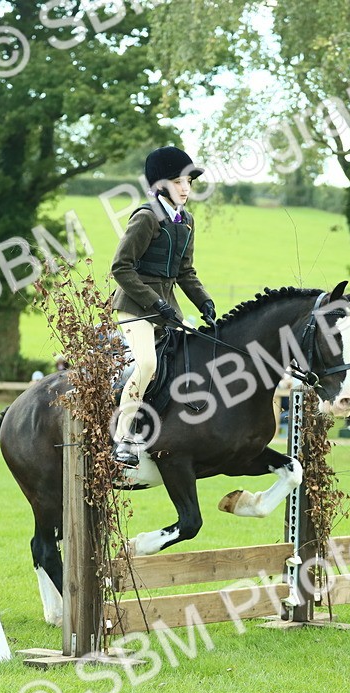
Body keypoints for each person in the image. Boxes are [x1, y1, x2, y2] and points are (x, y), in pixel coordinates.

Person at [109, 146, 216, 466]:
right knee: (147, 365)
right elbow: (121, 268)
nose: (186, 188)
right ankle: (123, 438)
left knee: (189, 363)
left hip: (167, 309)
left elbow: (185, 272)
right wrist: (154, 302)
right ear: (160, 185)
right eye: (179, 181)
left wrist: (205, 301)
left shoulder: (187, 221)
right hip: (135, 307)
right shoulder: (145, 218)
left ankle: (173, 433)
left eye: (188, 182)